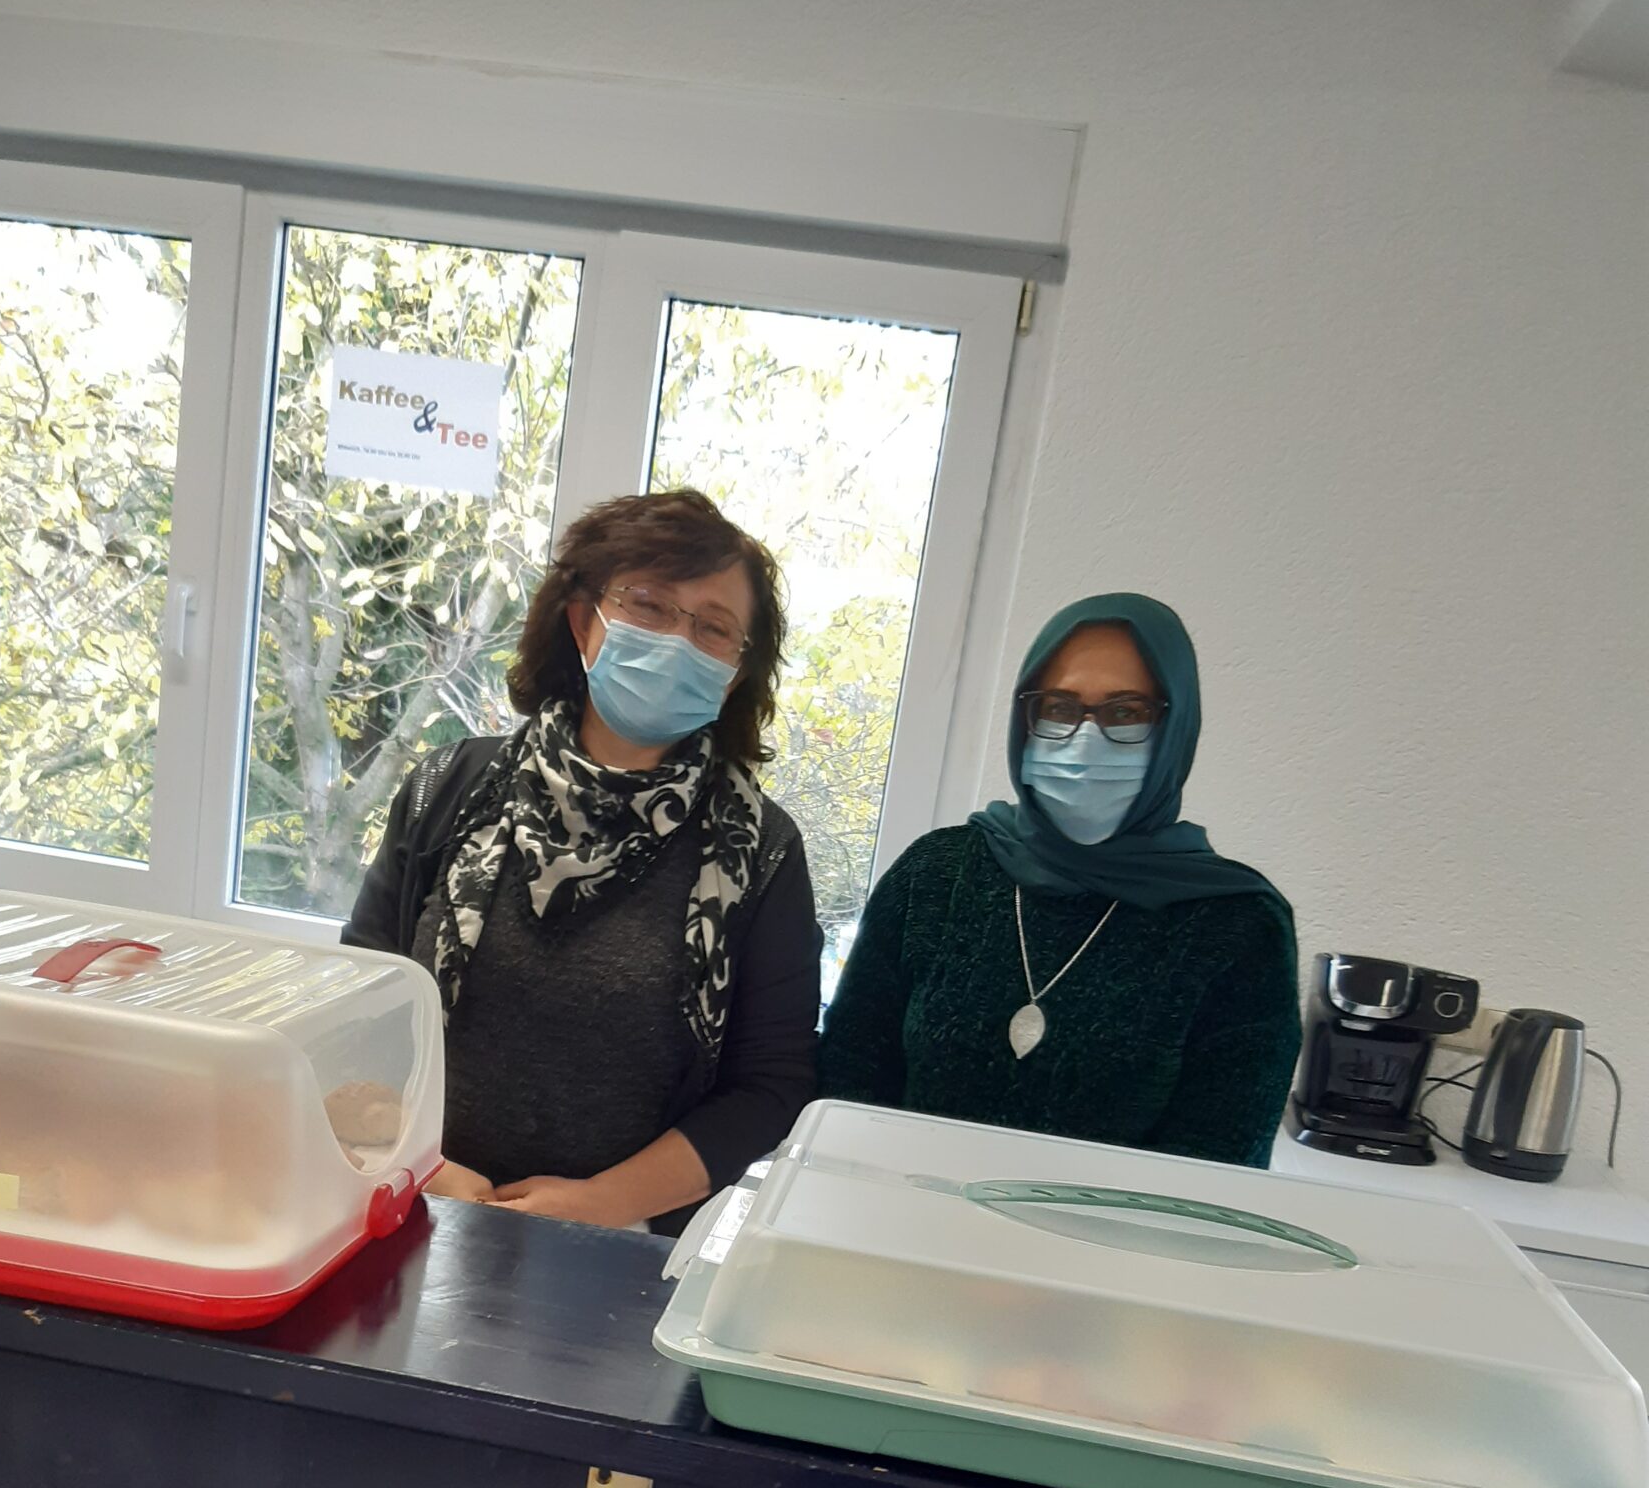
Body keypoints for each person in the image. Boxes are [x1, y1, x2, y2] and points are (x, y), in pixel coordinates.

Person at [344, 489, 821, 1230]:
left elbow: (770, 1086)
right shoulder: (449, 788)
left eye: (713, 628)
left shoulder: (761, 852)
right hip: (413, 1207)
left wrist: (607, 1204)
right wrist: (421, 1163)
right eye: (649, 605)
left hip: (621, 1251)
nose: (678, 640)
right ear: (582, 621)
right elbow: (354, 1007)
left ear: (735, 670)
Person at [818, 593, 1300, 1166]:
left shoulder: (1239, 927)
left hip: (1105, 1229)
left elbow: (1216, 1169)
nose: (1084, 739)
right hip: (892, 1213)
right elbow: (846, 1089)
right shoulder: (934, 875)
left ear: (1175, 729)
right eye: (1059, 707)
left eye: (1126, 712)